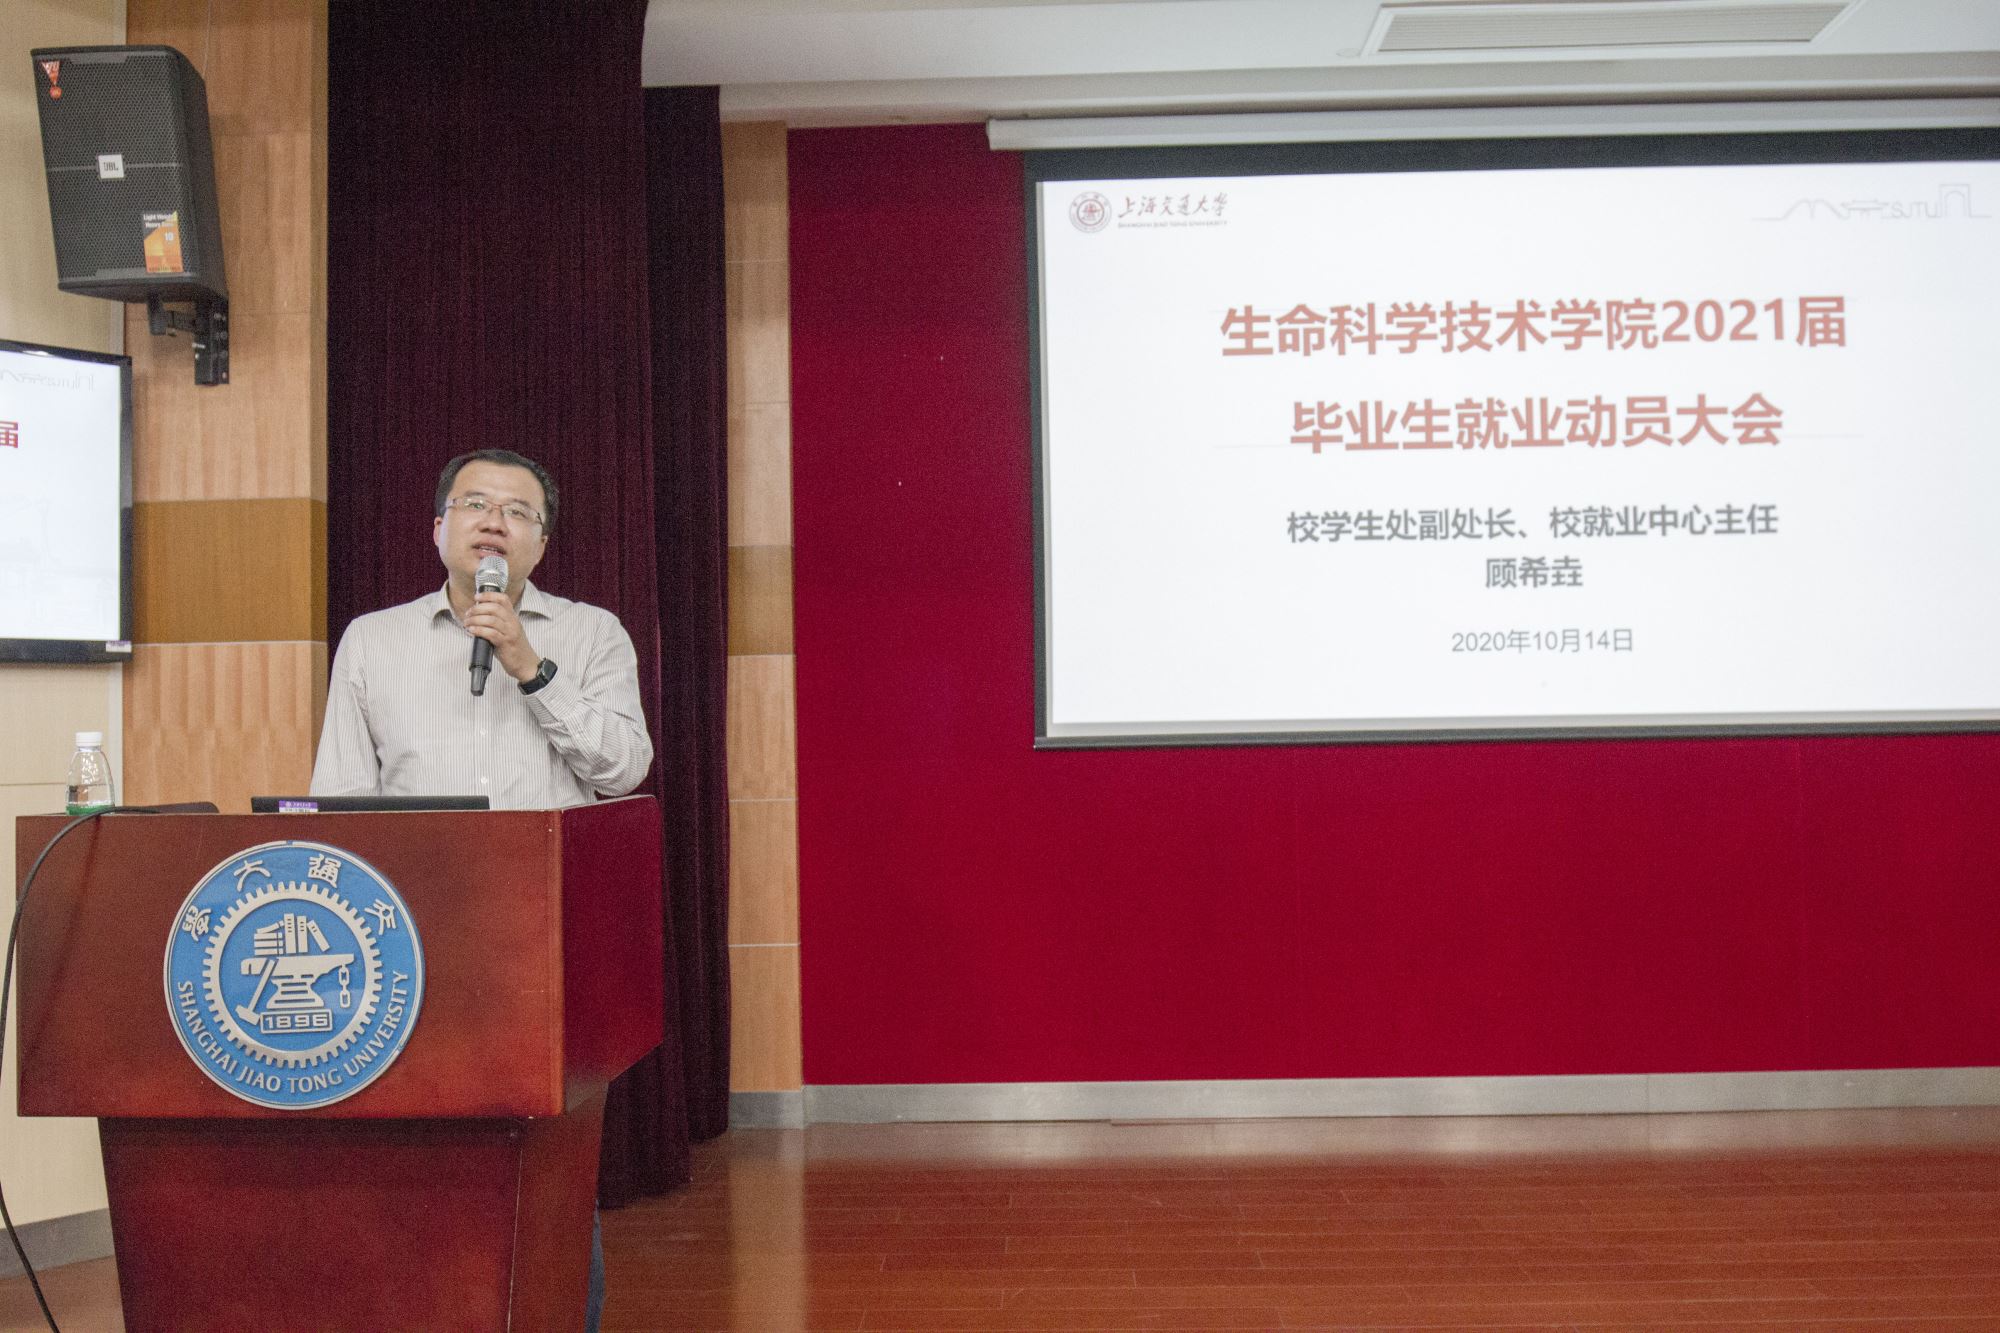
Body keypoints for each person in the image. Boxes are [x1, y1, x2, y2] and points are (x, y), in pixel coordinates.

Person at [311, 447, 651, 1331]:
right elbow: (340, 804)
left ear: (540, 543)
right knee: (414, 1163)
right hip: (406, 947)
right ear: (439, 529)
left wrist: (529, 663)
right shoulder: (373, 640)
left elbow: (624, 768)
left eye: (517, 511)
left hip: (543, 944)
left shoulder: (591, 635)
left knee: (550, 1167)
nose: (493, 521)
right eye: (473, 504)